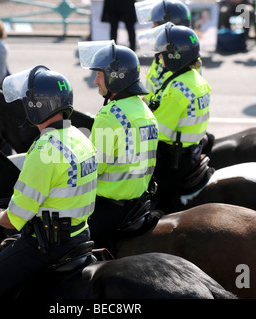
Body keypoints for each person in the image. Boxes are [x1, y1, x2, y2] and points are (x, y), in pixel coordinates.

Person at [0, 66, 98, 298]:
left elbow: (16, 219)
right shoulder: (80, 136)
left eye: (27, 100)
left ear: (37, 106)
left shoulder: (44, 149)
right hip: (80, 235)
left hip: (46, 246)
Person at [79, 41, 158, 255]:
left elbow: (92, 170)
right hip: (137, 202)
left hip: (107, 207)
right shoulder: (144, 109)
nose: (95, 81)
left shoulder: (110, 116)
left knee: (58, 249)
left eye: (99, 75)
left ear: (115, 77)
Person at [149, 23, 211, 205]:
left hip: (173, 160)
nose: (159, 57)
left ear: (174, 56)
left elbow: (158, 132)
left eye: (162, 53)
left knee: (138, 193)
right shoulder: (196, 79)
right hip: (192, 152)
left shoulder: (178, 89)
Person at [135, 0, 192, 105]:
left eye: (155, 25)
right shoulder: (164, 54)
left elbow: (166, 105)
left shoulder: (177, 62)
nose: (152, 29)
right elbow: (154, 93)